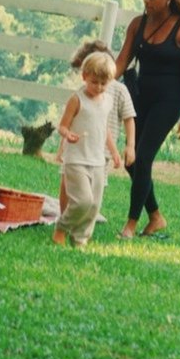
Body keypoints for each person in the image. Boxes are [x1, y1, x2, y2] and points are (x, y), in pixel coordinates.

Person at [113, 0, 180, 240]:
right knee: (131, 161)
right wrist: (100, 80)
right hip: (139, 97)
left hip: (169, 101)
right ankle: (155, 217)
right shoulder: (137, 24)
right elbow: (121, 62)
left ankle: (131, 224)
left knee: (142, 157)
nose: (147, 1)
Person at [52, 51, 123, 248]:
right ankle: (61, 228)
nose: (99, 87)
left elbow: (105, 128)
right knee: (82, 200)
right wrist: (68, 135)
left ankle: (80, 238)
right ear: (84, 76)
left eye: (103, 83)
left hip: (98, 160)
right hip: (76, 159)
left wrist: (114, 152)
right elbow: (63, 125)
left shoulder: (107, 100)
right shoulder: (77, 99)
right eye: (94, 82)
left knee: (93, 206)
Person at [58, 40, 136, 212]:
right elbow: (69, 121)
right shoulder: (84, 91)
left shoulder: (119, 90)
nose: (98, 85)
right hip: (76, 150)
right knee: (67, 181)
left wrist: (129, 146)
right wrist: (62, 146)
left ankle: (83, 217)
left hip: (101, 152)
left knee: (92, 191)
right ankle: (63, 217)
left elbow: (129, 117)